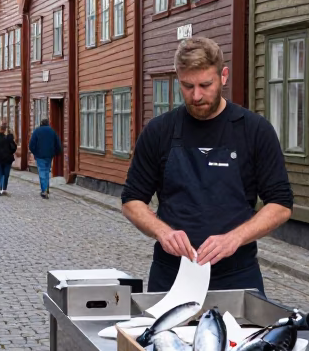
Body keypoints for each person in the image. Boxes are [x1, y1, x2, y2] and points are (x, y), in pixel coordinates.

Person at [121, 37, 293, 294]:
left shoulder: (255, 130)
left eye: (205, 85)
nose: (196, 95)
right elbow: (131, 201)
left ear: (223, 76)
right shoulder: (159, 131)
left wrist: (235, 237)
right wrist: (163, 232)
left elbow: (281, 204)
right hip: (172, 275)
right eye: (187, 86)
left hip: (237, 277)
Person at [28, 117, 62, 199]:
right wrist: (56, 153)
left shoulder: (37, 131)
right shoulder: (52, 131)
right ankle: (46, 188)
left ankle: (44, 190)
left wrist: (35, 152)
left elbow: (31, 145)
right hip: (49, 155)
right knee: (47, 171)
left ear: (41, 124)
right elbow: (58, 143)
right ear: (48, 124)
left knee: (42, 172)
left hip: (40, 155)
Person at [0, 122, 16, 196]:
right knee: (6, 174)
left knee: (0, 173)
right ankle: (4, 188)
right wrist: (10, 153)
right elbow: (14, 147)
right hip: (8, 159)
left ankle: (0, 188)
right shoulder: (9, 138)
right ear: (5, 130)